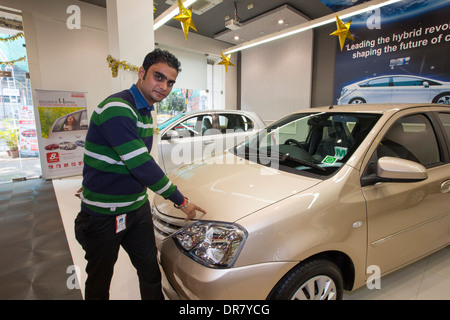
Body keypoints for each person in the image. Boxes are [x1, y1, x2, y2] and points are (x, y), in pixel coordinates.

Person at [74, 49, 206, 300]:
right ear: (142, 72)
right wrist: (181, 200)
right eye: (159, 77)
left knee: (150, 272)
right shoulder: (117, 107)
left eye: (170, 82)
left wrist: (97, 177)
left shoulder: (145, 111)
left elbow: (118, 157)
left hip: (136, 209)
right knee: (100, 281)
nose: (164, 86)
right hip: (103, 215)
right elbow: (141, 164)